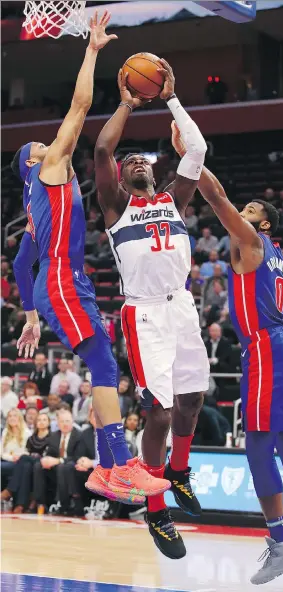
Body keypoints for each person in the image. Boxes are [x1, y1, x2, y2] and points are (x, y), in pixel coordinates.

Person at [10, 12, 169, 505]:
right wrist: (93, 50)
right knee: (102, 361)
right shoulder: (51, 167)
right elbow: (80, 105)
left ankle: (112, 467)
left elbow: (20, 265)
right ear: (34, 161)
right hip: (62, 280)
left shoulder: (37, 207)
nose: (47, 141)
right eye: (39, 144)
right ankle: (116, 466)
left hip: (58, 282)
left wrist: (32, 316)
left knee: (103, 364)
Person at [171, 121, 283, 582]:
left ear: (259, 224)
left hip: (267, 348)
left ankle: (280, 542)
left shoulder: (251, 243)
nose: (242, 209)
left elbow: (216, 197)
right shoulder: (280, 257)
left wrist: (192, 156)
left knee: (257, 445)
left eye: (250, 208)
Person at [94, 59, 209, 559]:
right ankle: (156, 511)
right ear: (121, 177)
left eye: (146, 160)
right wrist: (126, 102)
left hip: (182, 305)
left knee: (193, 400)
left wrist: (172, 99)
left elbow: (199, 149)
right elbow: (101, 148)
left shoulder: (174, 199)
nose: (138, 163)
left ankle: (178, 472)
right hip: (143, 314)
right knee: (158, 412)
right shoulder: (117, 207)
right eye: (131, 162)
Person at [1, 413, 50, 513]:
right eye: (39, 420)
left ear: (48, 422)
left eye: (44, 420)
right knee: (26, 466)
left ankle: (9, 490)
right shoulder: (32, 438)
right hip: (31, 463)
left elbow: (48, 454)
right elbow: (28, 451)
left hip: (43, 462)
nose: (41, 422)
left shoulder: (52, 437)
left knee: (24, 458)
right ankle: (20, 505)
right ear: (36, 423)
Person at [1, 409, 31, 488]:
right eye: (10, 416)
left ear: (19, 418)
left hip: (20, 462)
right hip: (7, 460)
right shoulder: (5, 431)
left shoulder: (27, 433)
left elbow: (28, 452)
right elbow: (1, 452)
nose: (12, 418)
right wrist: (11, 457)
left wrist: (18, 457)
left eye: (15, 416)